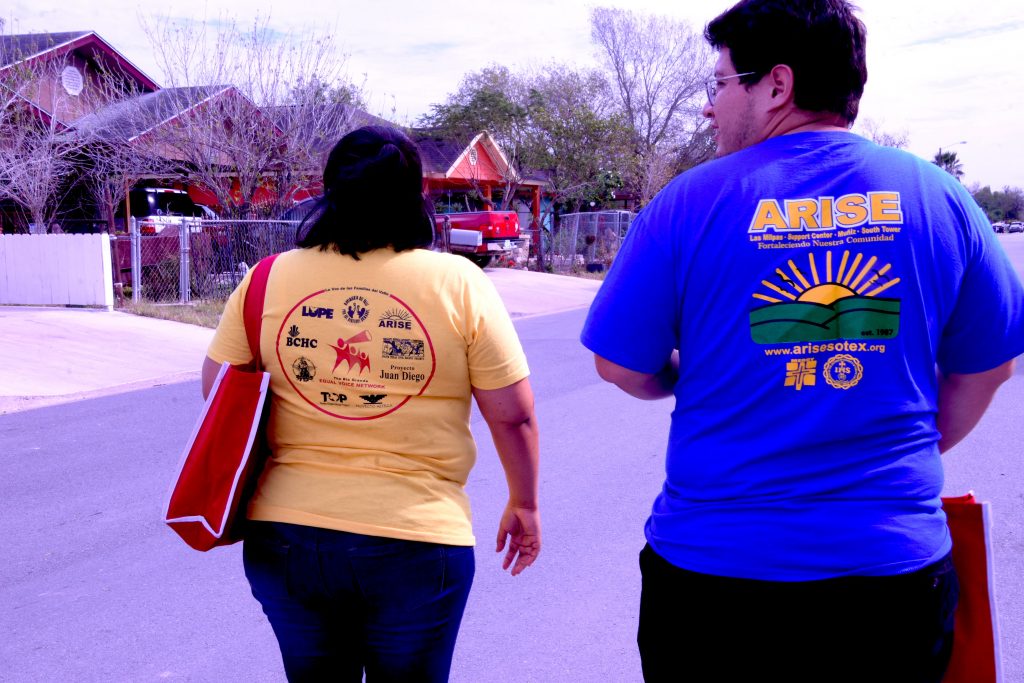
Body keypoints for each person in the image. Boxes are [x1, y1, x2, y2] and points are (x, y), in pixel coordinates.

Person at [580, 1, 1024, 681]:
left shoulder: (685, 203)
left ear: (777, 86)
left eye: (721, 83)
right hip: (892, 579)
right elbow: (990, 367)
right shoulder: (940, 198)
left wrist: (673, 372)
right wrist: (900, 448)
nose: (710, 107)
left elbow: (617, 363)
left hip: (717, 584)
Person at [202, 126, 540, 682]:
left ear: (328, 191)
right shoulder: (459, 282)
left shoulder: (268, 278)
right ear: (417, 196)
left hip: (286, 540)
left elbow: (219, 393)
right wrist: (524, 503)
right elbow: (515, 414)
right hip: (416, 543)